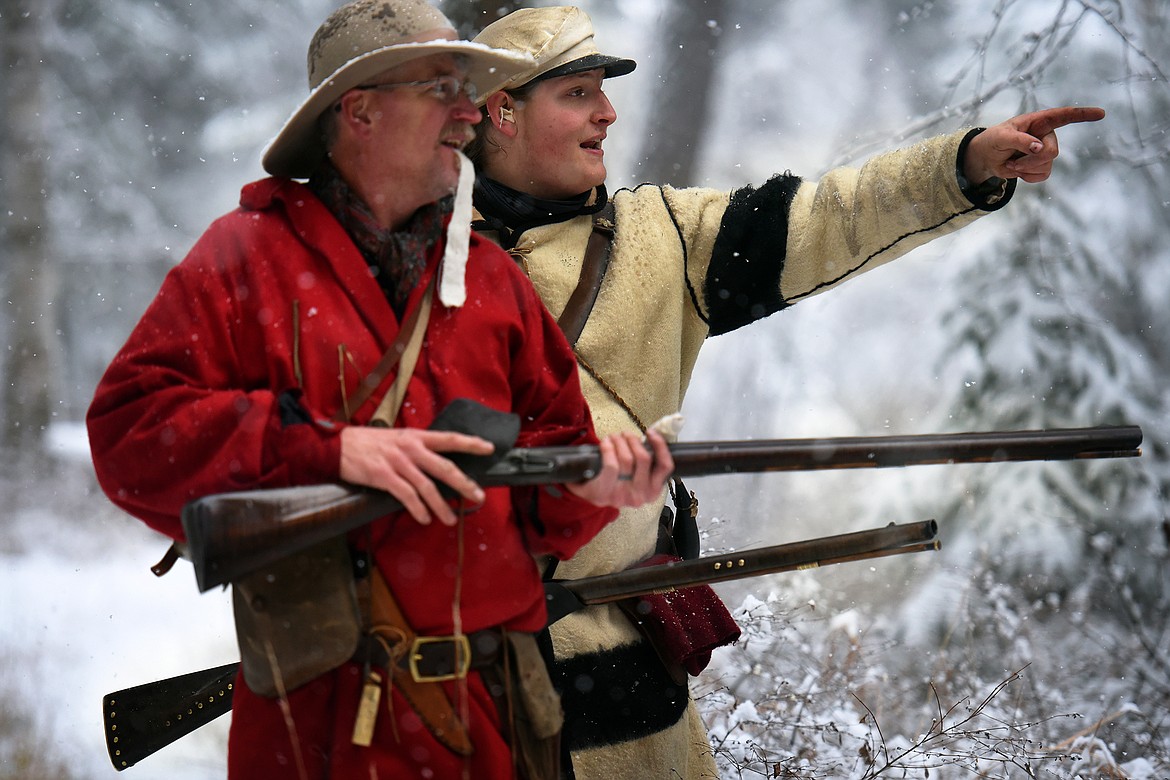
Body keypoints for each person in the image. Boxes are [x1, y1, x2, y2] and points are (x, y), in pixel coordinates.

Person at [466, 6, 1107, 779]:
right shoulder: (416, 253)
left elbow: (829, 216)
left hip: (626, 687)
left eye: (602, 90)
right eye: (575, 93)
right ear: (501, 111)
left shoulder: (661, 238)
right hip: (458, 678)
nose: (607, 111)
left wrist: (963, 164)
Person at [85, 1, 675, 778]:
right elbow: (130, 435)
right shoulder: (246, 257)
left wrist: (599, 483)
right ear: (359, 112)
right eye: (442, 87)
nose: (470, 113)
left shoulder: (492, 280)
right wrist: (327, 452)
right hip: (321, 734)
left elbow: (542, 492)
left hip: (491, 719)